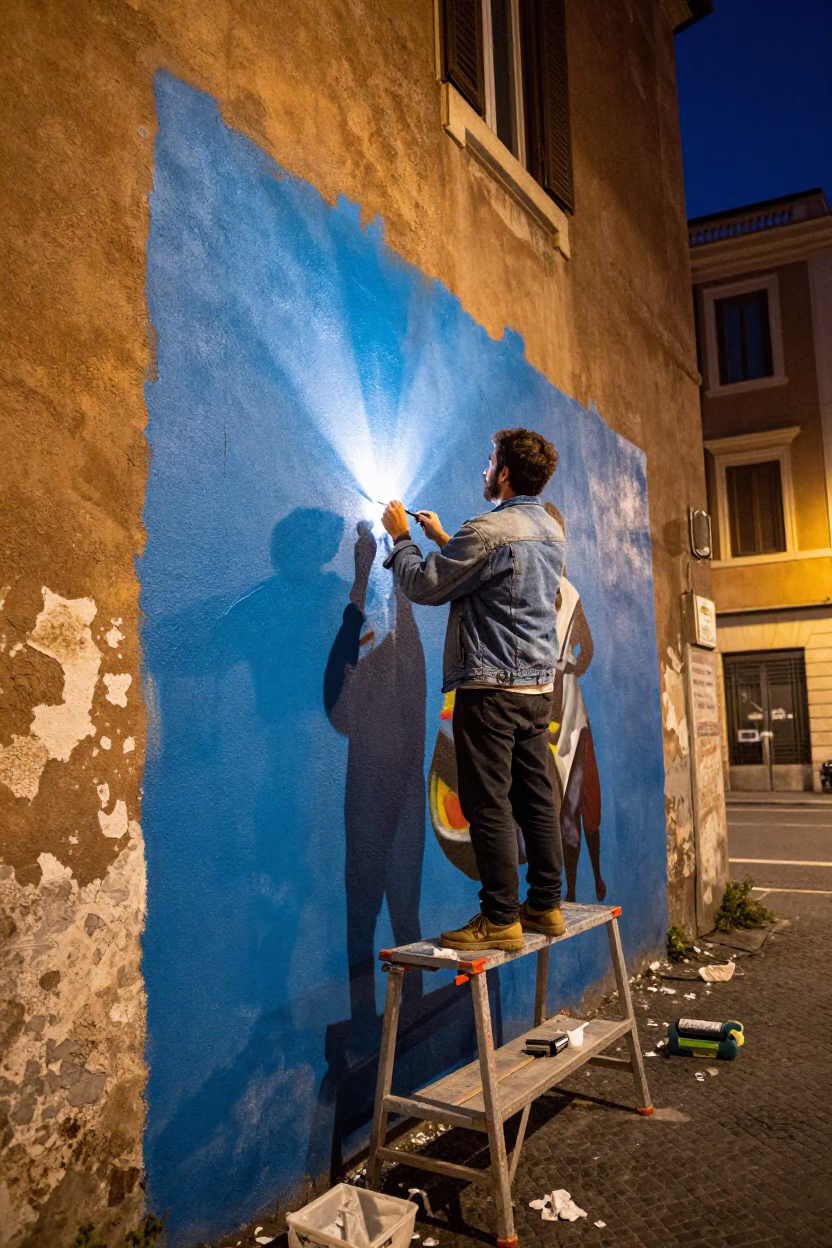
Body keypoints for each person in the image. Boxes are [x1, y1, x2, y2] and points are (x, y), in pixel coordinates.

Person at [381, 427, 566, 952]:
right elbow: (494, 575)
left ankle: (500, 918)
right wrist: (444, 539)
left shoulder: (486, 530)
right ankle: (545, 906)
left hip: (489, 691)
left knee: (488, 804)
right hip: (535, 690)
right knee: (536, 799)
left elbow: (424, 586)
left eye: (489, 462)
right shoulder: (550, 530)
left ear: (504, 473)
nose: (484, 469)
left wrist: (401, 539)